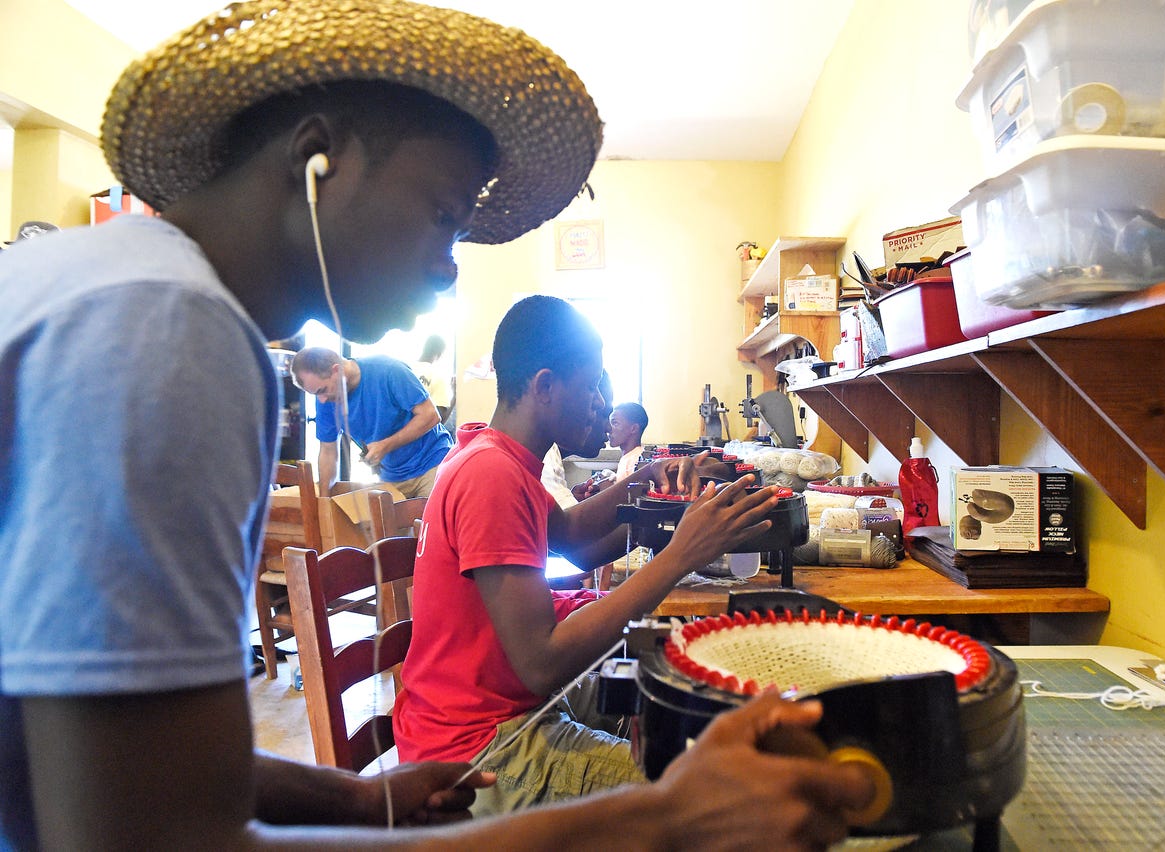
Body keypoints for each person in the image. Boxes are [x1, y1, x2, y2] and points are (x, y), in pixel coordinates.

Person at [0, 2, 873, 849]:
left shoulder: (111, 289)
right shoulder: (172, 333)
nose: (451, 269)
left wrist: (355, 799)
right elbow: (156, 835)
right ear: (317, 160)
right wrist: (665, 823)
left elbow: (129, 766)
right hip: (489, 737)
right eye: (444, 214)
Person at [393, 295, 803, 815]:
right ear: (544, 386)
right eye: (589, 386)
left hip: (496, 713)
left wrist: (649, 484)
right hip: (481, 751)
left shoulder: (490, 455)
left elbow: (570, 537)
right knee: (711, 792)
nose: (599, 404)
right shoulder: (491, 475)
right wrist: (679, 555)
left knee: (671, 702)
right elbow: (542, 664)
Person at [291, 346, 451, 499]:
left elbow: (430, 415)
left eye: (322, 390)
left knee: (431, 517)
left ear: (337, 371)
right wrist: (323, 503)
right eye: (315, 394)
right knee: (374, 517)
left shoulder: (387, 370)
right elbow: (328, 451)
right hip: (391, 474)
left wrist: (385, 445)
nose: (322, 399)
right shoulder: (326, 400)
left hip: (432, 461)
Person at [543, 370, 614, 507]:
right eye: (605, 415)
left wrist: (570, 497)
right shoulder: (546, 459)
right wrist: (646, 473)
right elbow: (569, 521)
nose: (609, 428)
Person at [415, 333, 455, 432]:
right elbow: (439, 419)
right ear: (440, 354)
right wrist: (455, 396)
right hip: (421, 437)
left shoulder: (405, 369)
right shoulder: (437, 377)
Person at [609, 401, 649, 478]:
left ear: (634, 428)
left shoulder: (635, 461)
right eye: (610, 423)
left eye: (615, 423)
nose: (608, 428)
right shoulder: (628, 458)